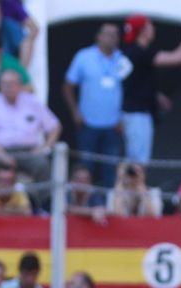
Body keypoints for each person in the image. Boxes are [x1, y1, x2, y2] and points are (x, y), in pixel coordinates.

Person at [63, 22, 134, 187]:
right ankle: (85, 206)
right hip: (88, 122)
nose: (112, 38)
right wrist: (75, 112)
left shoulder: (123, 59)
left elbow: (131, 90)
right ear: (98, 36)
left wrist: (123, 117)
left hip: (114, 124)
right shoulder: (84, 56)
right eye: (108, 34)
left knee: (112, 169)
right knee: (86, 168)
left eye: (115, 34)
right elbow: (67, 86)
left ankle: (110, 206)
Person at [119, 15, 181, 163]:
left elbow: (134, 83)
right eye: (150, 26)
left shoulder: (129, 51)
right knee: (138, 160)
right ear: (142, 31)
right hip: (137, 115)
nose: (153, 29)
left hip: (132, 113)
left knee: (135, 156)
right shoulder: (140, 52)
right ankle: (136, 187)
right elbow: (177, 58)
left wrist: (155, 95)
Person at [0, 69, 60, 184]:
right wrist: (2, 155)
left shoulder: (33, 101)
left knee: (42, 164)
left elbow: (54, 127)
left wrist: (45, 148)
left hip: (29, 151)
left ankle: (40, 201)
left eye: (12, 84)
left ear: (20, 85)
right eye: (5, 84)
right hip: (0, 151)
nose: (8, 87)